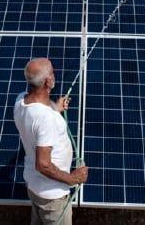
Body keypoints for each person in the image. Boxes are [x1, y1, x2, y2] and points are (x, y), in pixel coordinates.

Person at [14, 58, 88, 225]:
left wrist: (56, 107)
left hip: (34, 186)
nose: (55, 75)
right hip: (52, 195)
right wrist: (72, 179)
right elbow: (43, 164)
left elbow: (37, 117)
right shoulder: (47, 120)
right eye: (53, 72)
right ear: (48, 81)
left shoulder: (20, 101)